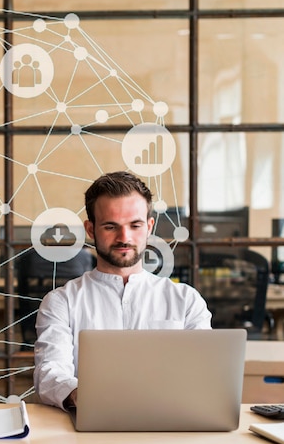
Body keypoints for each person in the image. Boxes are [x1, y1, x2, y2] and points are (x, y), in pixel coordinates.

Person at [33, 171, 211, 410]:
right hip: (89, 430)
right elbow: (49, 373)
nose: (124, 237)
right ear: (90, 229)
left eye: (135, 225)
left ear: (149, 227)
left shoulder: (186, 301)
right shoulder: (61, 302)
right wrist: (82, 396)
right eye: (110, 226)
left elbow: (205, 376)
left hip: (170, 426)